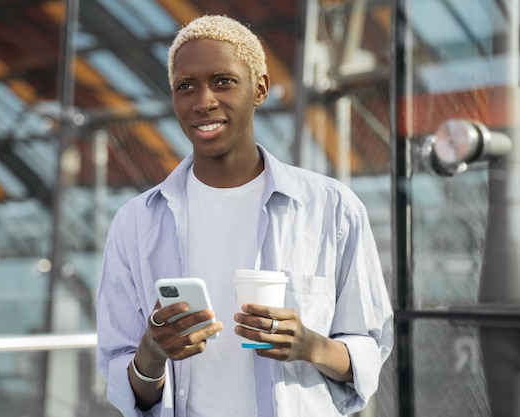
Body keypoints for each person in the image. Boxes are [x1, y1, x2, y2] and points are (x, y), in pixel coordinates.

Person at [96, 14, 393, 417]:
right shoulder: (135, 224)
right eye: (186, 86)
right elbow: (129, 390)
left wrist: (310, 345)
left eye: (224, 81)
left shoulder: (332, 209)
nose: (204, 101)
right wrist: (152, 353)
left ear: (260, 88)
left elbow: (369, 352)